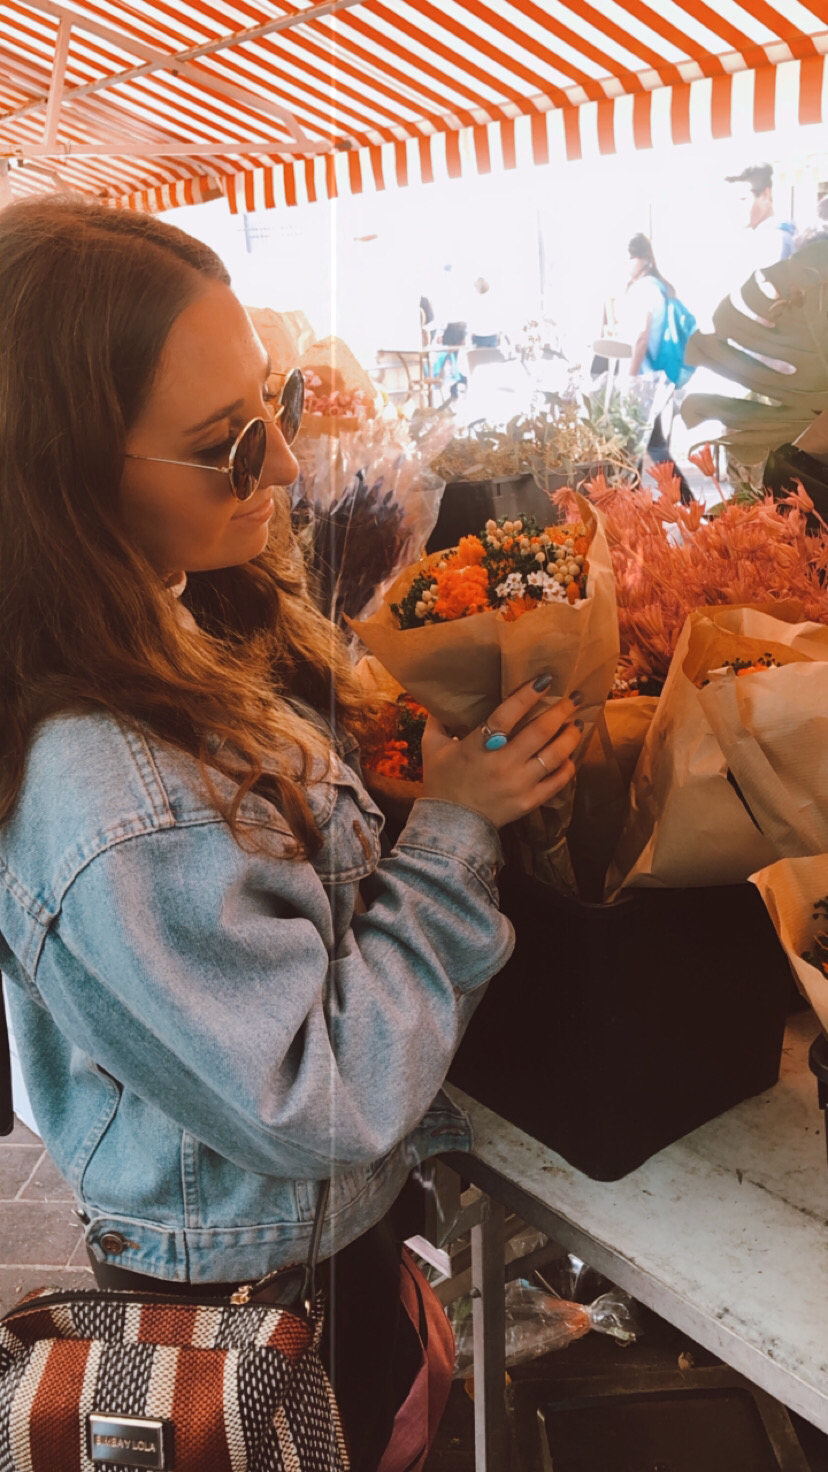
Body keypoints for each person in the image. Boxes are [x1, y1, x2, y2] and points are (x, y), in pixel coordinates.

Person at [0, 196, 580, 1472]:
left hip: (320, 1267)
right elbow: (319, 1097)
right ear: (60, 480)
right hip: (241, 1322)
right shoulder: (99, 777)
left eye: (280, 404)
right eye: (222, 444)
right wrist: (453, 840)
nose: (279, 460)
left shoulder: (174, 617)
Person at [618, 233, 694, 504]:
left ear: (645, 259)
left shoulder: (645, 289)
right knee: (642, 448)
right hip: (655, 380)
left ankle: (687, 502)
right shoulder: (660, 287)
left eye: (631, 257)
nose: (627, 263)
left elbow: (641, 336)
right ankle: (680, 503)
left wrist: (628, 380)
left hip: (642, 380)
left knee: (643, 448)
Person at [724, 162, 796, 274]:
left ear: (766, 195)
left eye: (742, 199)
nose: (735, 208)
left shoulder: (773, 240)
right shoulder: (758, 236)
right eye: (730, 201)